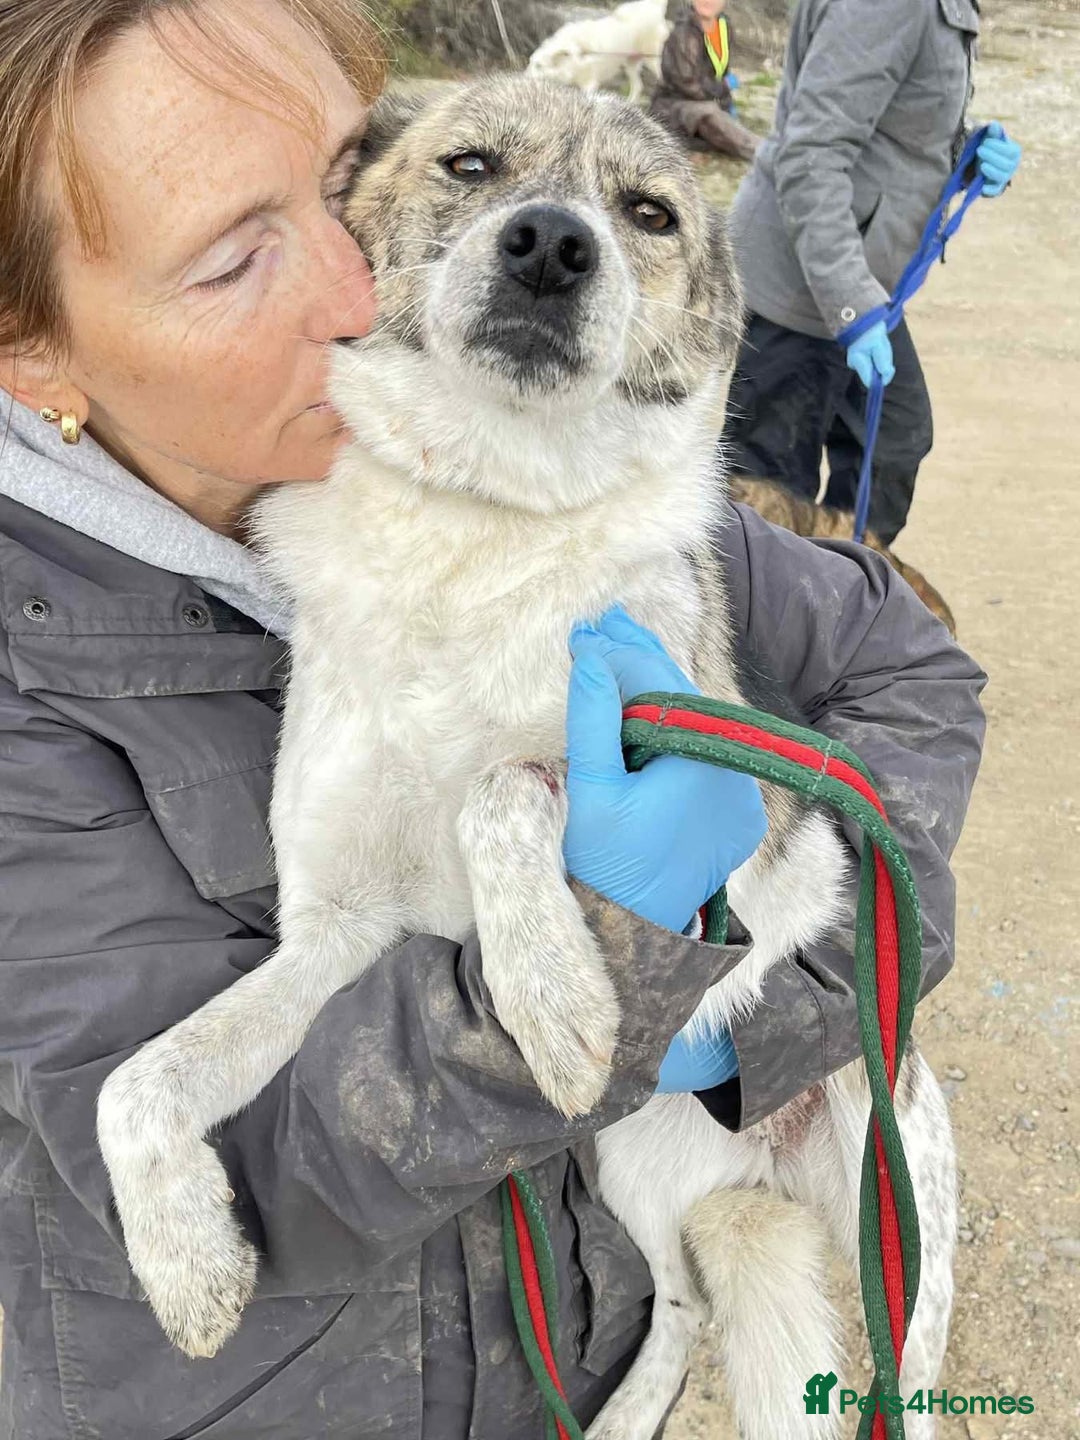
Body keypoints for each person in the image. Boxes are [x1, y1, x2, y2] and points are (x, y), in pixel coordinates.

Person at [0, 2, 986, 1437]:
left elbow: (912, 668)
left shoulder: (544, 470)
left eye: (352, 177)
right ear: (32, 353)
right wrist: (616, 937)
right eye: (231, 259)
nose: (360, 285)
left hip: (591, 1294)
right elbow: (272, 1172)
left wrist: (767, 1009)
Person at [720, 0, 1023, 544]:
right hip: (796, 291)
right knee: (766, 500)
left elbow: (893, 122)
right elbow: (810, 154)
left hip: (855, 283)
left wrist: (966, 153)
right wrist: (853, 309)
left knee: (894, 441)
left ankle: (838, 592)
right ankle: (774, 615)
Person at [650, 0, 761, 162]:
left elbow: (721, 70)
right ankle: (764, 153)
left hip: (705, 99)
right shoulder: (683, 34)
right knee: (708, 113)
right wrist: (722, 89)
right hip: (673, 106)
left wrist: (725, 102)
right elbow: (688, 85)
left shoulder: (724, 27)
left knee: (721, 120)